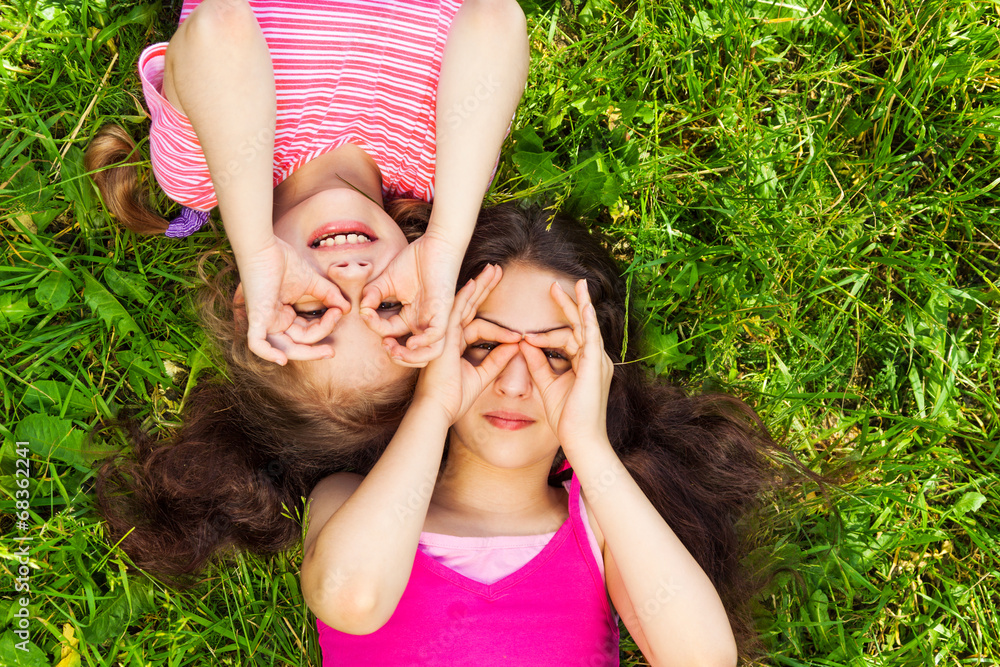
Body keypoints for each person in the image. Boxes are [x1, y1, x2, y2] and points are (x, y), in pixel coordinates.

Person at [93, 0, 528, 578]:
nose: (350, 277)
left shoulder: (204, 173)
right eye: (388, 305)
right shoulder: (441, 166)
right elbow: (497, 18)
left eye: (311, 308)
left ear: (252, 297)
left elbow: (220, 27)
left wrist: (256, 248)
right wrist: (446, 243)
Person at [299, 203, 785, 664]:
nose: (513, 384)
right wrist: (433, 404)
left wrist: (590, 445)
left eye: (554, 356)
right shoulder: (347, 499)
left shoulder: (602, 528)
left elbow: (700, 659)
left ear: (595, 375)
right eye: (484, 344)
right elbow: (351, 598)